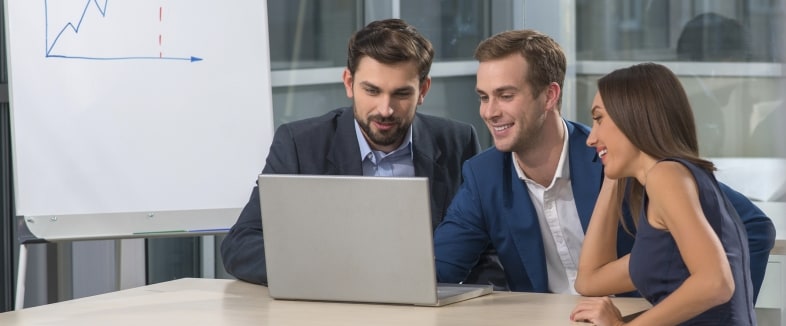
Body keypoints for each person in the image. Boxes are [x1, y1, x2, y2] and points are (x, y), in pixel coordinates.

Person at [432, 29, 775, 299]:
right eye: (483, 97)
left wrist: (709, 311)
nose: (489, 112)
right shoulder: (484, 175)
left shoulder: (618, 156)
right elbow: (437, 271)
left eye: (506, 96)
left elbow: (754, 228)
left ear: (550, 95)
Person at [221, 18, 485, 285]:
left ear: (423, 90)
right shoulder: (299, 144)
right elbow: (241, 245)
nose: (385, 109)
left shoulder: (458, 141)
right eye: (372, 90)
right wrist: (337, 273)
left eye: (401, 94)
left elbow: (490, 247)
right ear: (349, 82)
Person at [570, 63, 755, 325]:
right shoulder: (673, 180)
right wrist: (613, 177)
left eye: (599, 118)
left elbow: (716, 283)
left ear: (632, 116)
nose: (591, 138)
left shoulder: (666, 175)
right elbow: (589, 280)